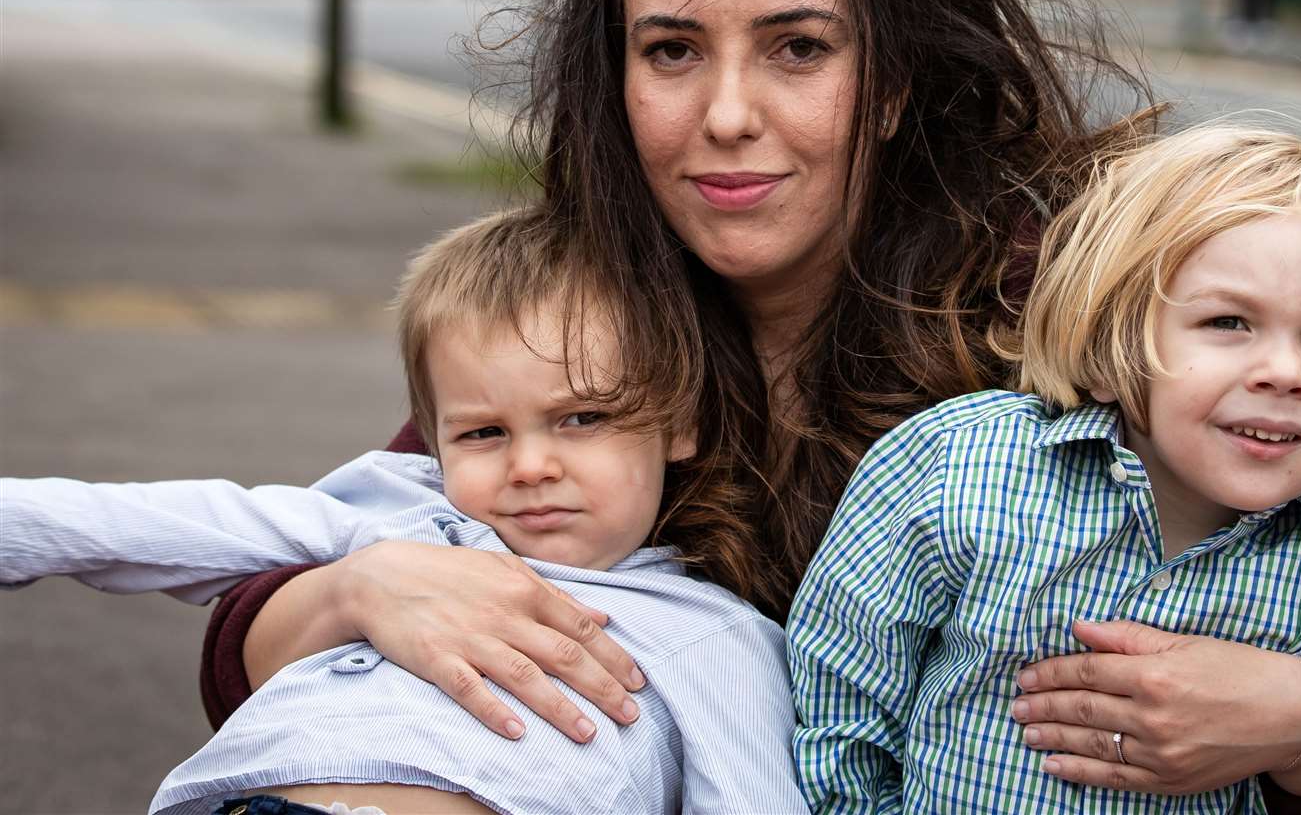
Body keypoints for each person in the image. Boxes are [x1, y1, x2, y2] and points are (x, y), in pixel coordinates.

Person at [201, 0, 1301, 803]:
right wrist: (363, 593)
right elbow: (247, 634)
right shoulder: (580, 301)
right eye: (672, 52)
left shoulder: (1069, 317)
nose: (728, 114)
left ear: (891, 83)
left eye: (797, 48)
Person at [1, 210, 806, 815]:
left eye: (582, 419)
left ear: (680, 426)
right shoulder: (400, 516)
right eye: (484, 432)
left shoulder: (714, 634)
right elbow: (186, 526)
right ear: (435, 441)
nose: (530, 466)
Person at [790, 124, 1301, 813]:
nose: (1286, 372)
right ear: (1113, 339)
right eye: (1229, 322)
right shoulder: (958, 472)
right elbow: (840, 703)